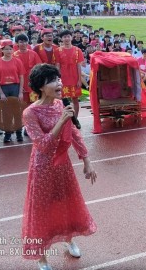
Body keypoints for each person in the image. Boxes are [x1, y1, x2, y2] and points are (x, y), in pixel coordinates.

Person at [22, 64, 97, 270]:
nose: (59, 83)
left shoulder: (60, 105)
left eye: (59, 79)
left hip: (63, 165)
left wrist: (87, 161)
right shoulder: (30, 113)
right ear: (40, 86)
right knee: (43, 210)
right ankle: (42, 257)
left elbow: (73, 133)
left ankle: (69, 238)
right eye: (53, 80)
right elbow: (43, 145)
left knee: (66, 203)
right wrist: (62, 119)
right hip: (42, 168)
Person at [0, 40, 25, 143]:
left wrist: (20, 92)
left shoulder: (17, 61)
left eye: (10, 48)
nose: (8, 51)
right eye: (6, 49)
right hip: (3, 88)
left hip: (15, 87)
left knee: (17, 111)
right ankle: (8, 133)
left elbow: (21, 76)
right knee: (6, 112)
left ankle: (19, 133)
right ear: (2, 50)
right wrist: (1, 92)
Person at [54, 30, 84, 117]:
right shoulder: (57, 51)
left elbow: (79, 66)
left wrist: (79, 80)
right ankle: (63, 119)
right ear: (61, 39)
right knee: (61, 100)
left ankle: (76, 119)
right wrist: (57, 80)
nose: (66, 38)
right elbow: (57, 66)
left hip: (74, 78)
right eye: (64, 37)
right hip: (63, 78)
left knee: (75, 100)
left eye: (68, 36)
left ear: (71, 37)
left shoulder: (77, 50)